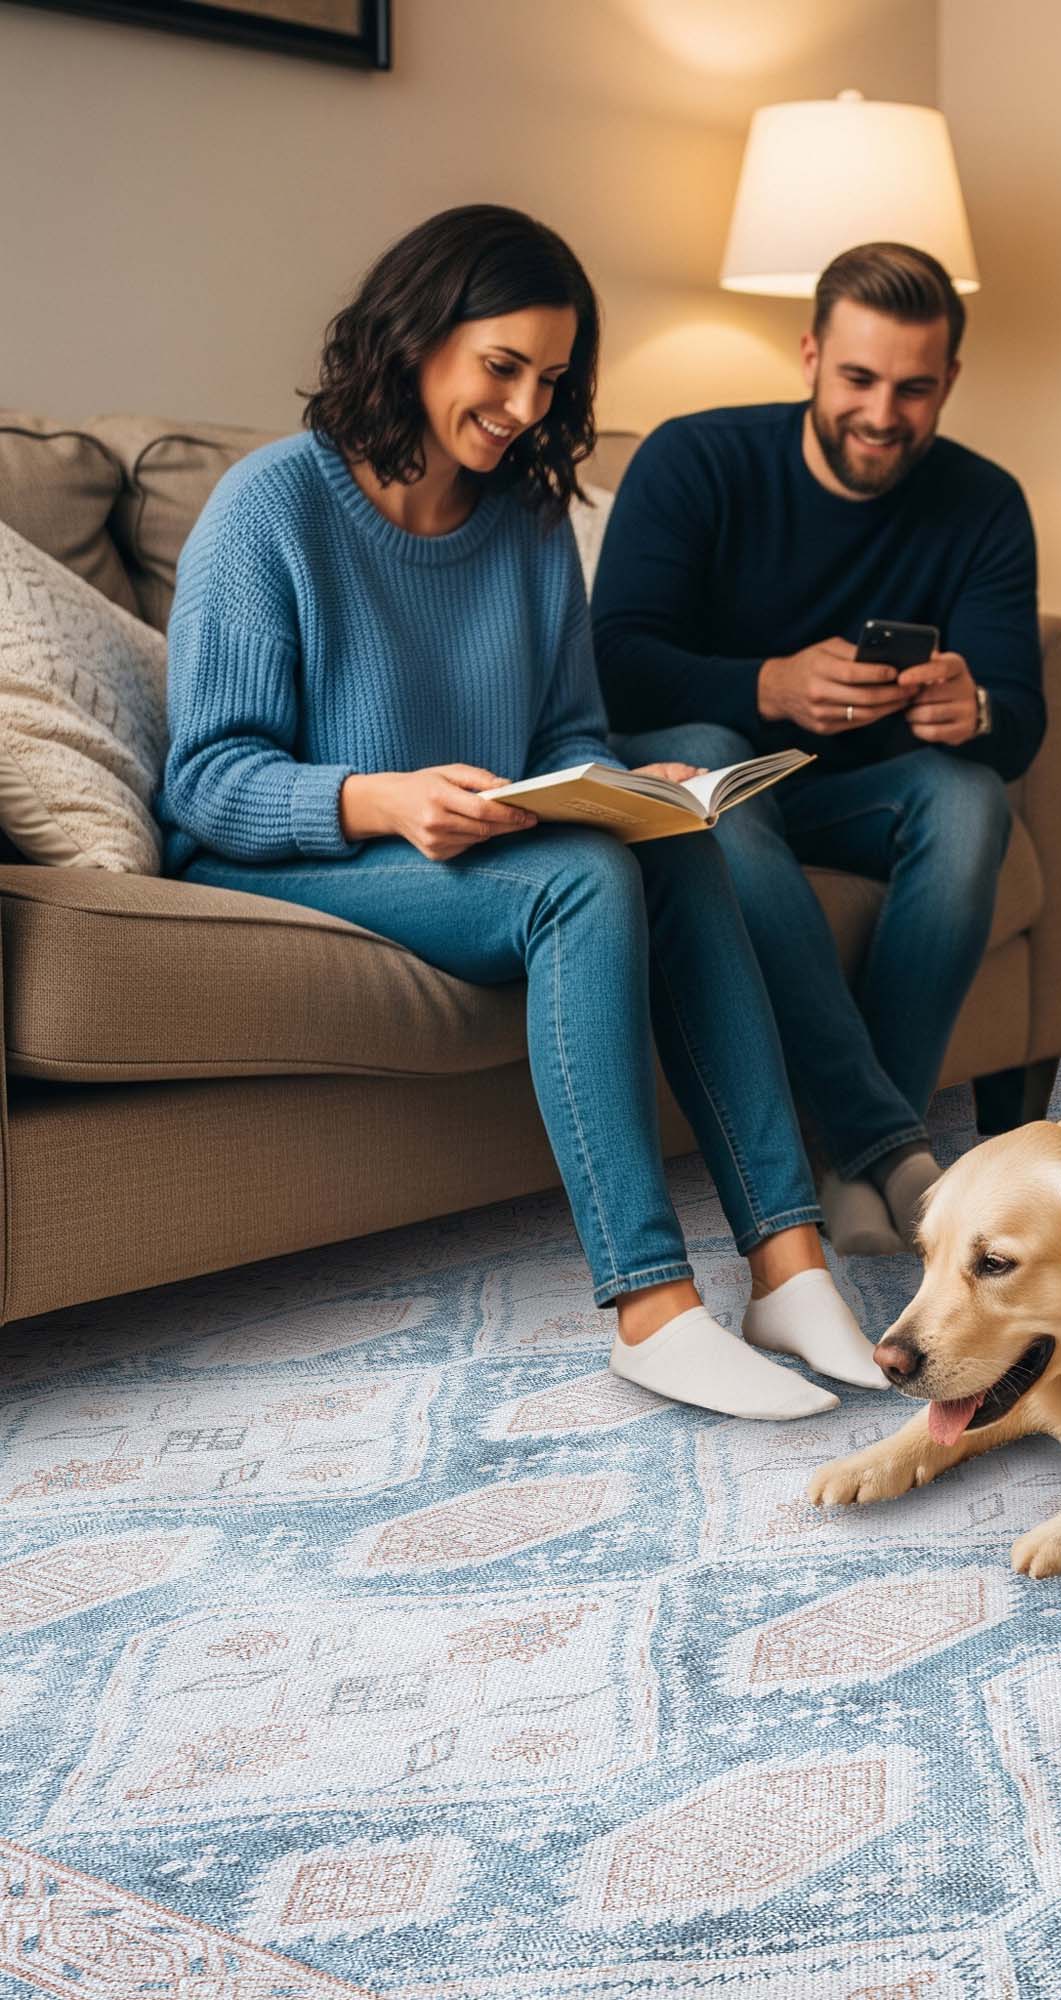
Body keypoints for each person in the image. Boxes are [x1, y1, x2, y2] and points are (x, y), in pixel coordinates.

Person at [155, 204, 887, 1421]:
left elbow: (560, 734)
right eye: (502, 367)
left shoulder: (532, 516)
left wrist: (613, 787)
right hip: (283, 852)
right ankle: (650, 1307)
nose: (525, 407)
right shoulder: (268, 506)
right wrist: (379, 799)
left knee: (665, 845)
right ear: (415, 337)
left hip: (473, 847)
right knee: (582, 880)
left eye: (549, 378)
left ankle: (786, 1263)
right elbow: (205, 778)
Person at [591, 241, 1043, 1257]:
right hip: (704, 769)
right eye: (858, 379)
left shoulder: (982, 502)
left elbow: (1020, 712)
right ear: (807, 357)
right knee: (713, 756)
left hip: (852, 793)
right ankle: (888, 1145)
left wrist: (974, 709)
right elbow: (612, 662)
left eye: (914, 389)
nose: (883, 414)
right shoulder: (693, 459)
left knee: (970, 795)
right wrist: (767, 683)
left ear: (949, 383)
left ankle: (850, 1161)